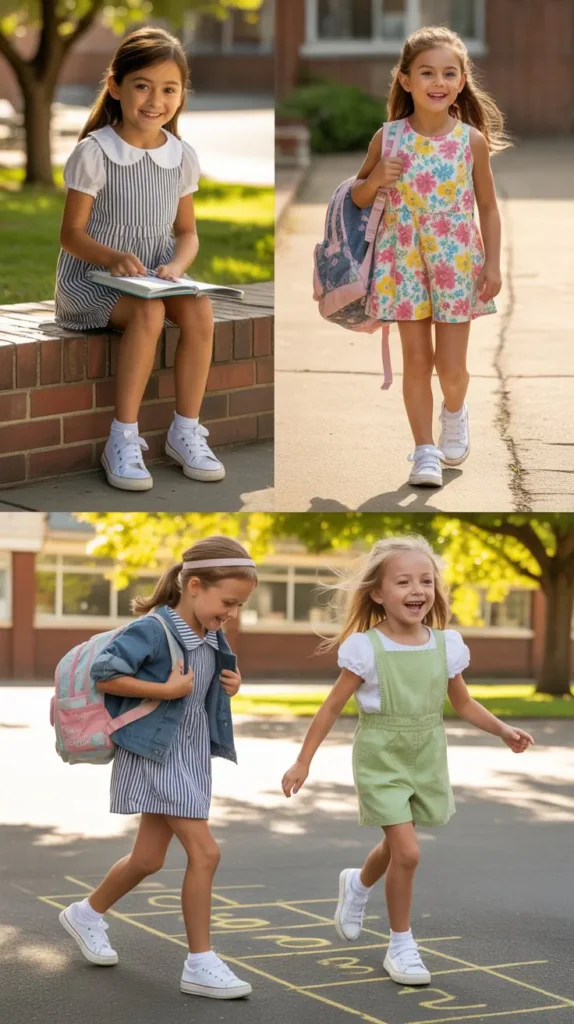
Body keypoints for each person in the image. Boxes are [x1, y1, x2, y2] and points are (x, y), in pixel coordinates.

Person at [282, 535, 533, 987]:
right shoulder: (364, 649)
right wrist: (303, 762)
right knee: (410, 852)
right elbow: (331, 708)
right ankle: (401, 945)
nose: (418, 590)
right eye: (404, 581)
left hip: (427, 754)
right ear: (377, 593)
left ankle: (357, 885)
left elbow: (463, 702)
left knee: (398, 845)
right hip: (382, 756)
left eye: (426, 580)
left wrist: (503, 730)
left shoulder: (446, 644)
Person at [58, 536, 257, 1000]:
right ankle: (199, 963)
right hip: (153, 754)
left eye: (239, 605)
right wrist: (165, 692)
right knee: (205, 853)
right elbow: (104, 674)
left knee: (149, 858)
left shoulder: (211, 635)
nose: (231, 612)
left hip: (188, 755)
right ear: (193, 585)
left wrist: (232, 684)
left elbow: (201, 687)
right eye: (228, 601)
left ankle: (85, 914)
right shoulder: (152, 630)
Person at [55, 27, 223, 492]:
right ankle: (122, 439)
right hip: (93, 280)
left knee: (199, 308)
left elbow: (187, 233)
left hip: (153, 276)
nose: (155, 100)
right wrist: (112, 258)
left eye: (169, 89)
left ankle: (185, 430)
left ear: (181, 94)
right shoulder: (95, 152)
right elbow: (70, 235)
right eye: (142, 85)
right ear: (116, 86)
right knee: (149, 311)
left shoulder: (182, 156)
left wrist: (178, 266)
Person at [352, 26, 509, 488]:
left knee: (451, 369)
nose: (437, 81)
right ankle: (424, 452)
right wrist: (377, 176)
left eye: (447, 73)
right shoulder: (389, 137)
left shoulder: (470, 142)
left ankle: (455, 412)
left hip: (456, 265)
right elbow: (358, 199)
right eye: (426, 72)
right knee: (417, 363)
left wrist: (493, 264)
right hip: (403, 265)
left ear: (461, 81)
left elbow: (489, 207)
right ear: (405, 80)